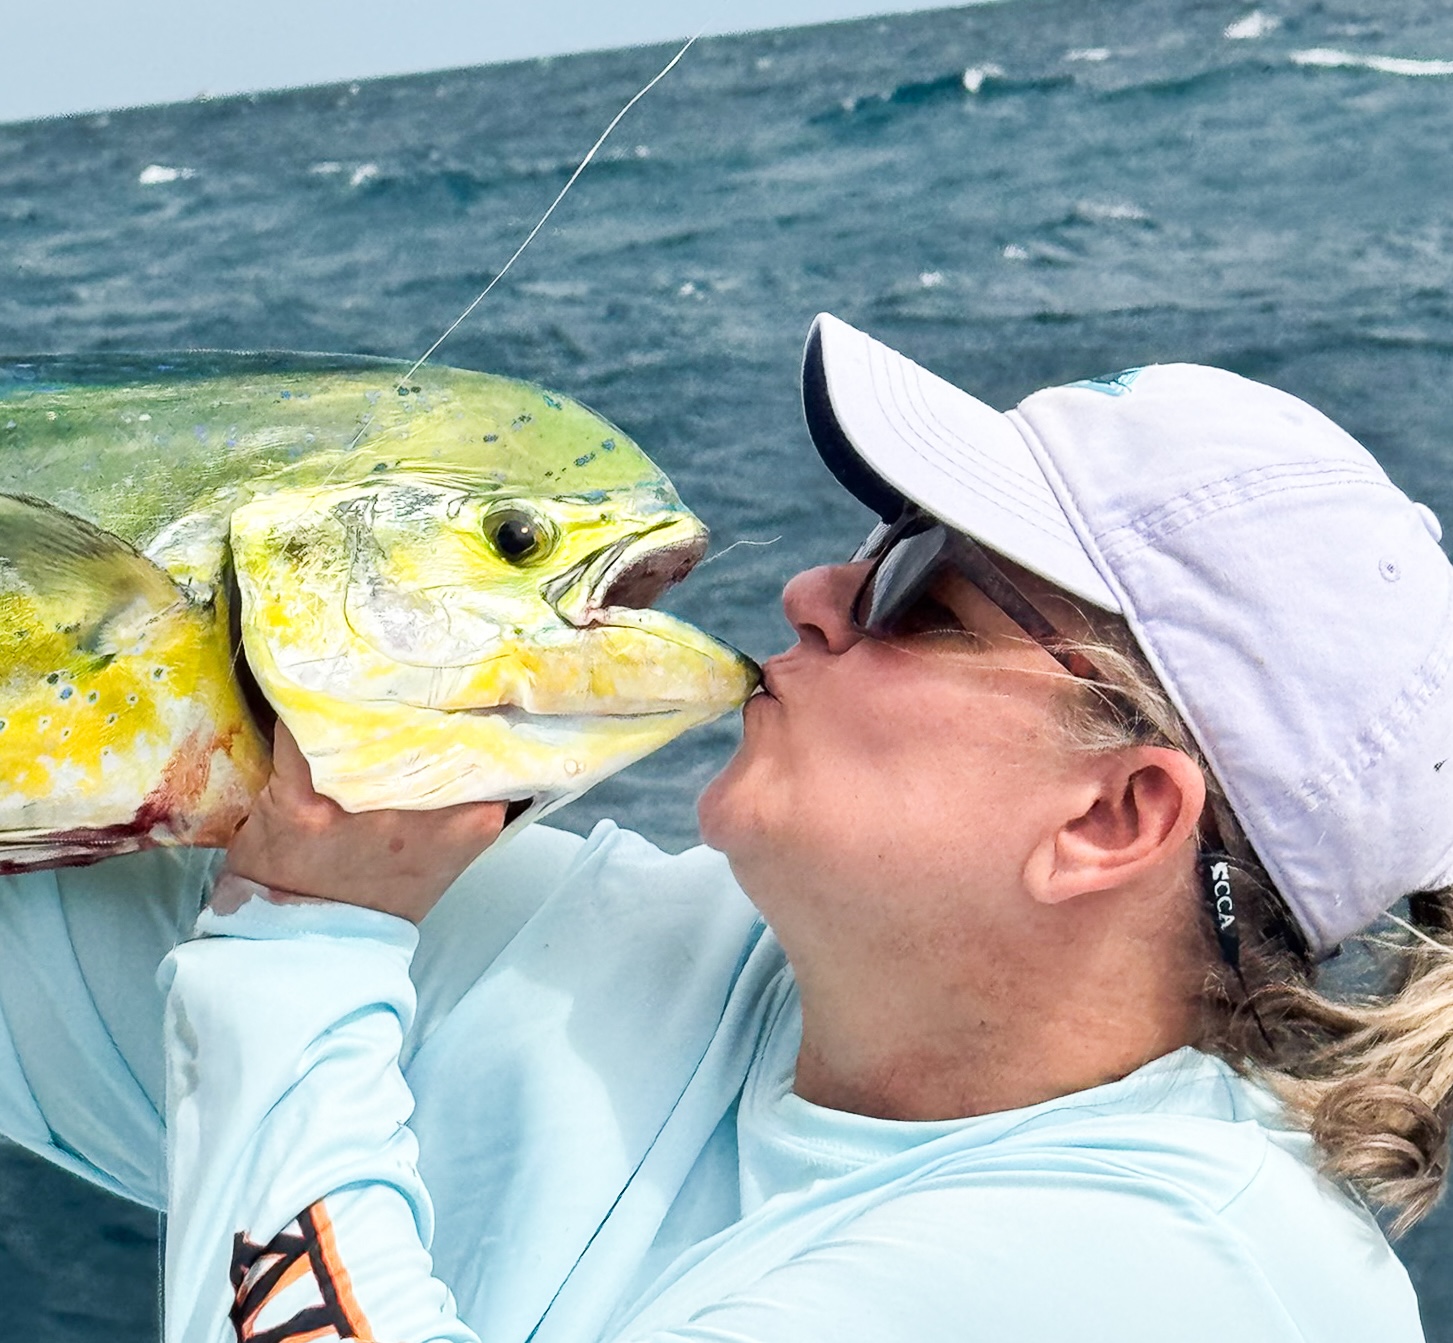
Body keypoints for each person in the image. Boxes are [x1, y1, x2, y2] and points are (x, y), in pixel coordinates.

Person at [3, 313, 1450, 1342]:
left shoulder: (1163, 1282)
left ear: (1113, 815)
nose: (816, 588)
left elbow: (290, 958)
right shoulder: (684, 966)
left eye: (919, 596)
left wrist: (305, 940)